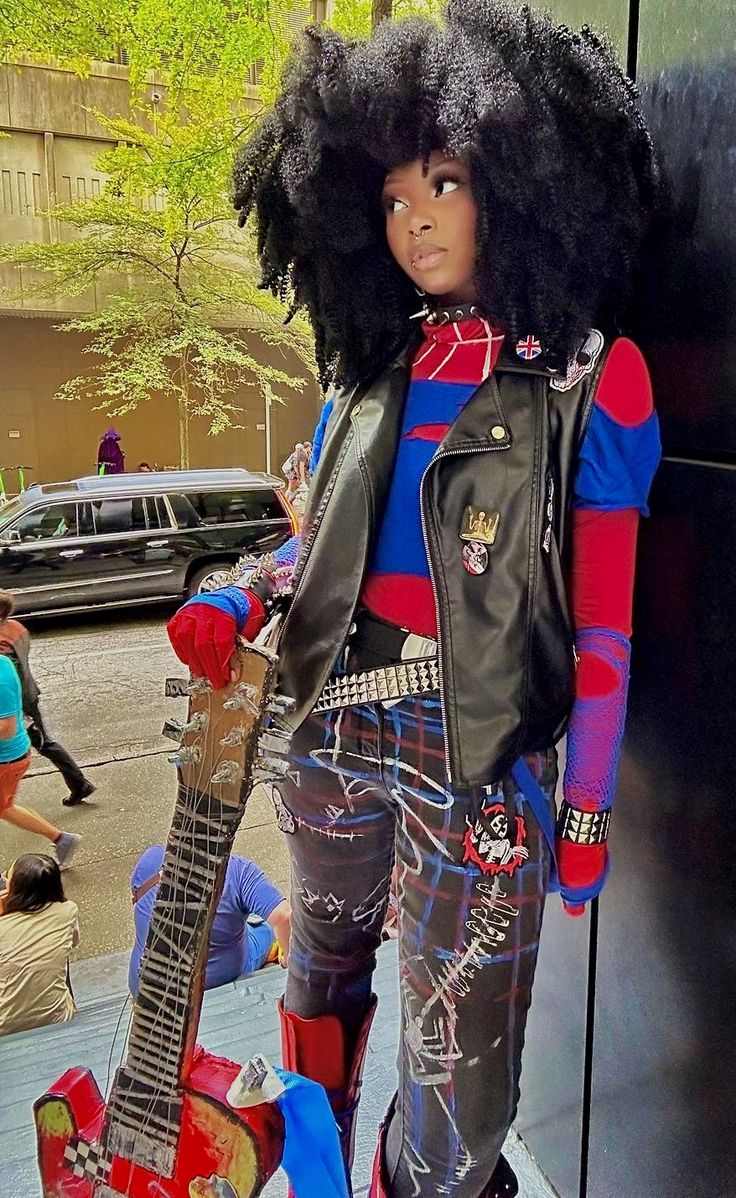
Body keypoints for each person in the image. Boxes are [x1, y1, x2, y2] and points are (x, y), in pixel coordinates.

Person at [167, 4, 661, 1195]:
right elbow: (322, 552)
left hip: (476, 751)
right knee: (314, 983)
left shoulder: (594, 378)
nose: (414, 218)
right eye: (390, 197)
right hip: (332, 725)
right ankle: (321, 1169)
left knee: (457, 1050)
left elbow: (604, 626)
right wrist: (243, 593)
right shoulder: (370, 373)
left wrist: (584, 804)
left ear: (520, 180)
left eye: (443, 181)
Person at [128, 845, 291, 996]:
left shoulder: (150, 858)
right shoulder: (238, 871)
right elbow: (283, 916)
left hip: (145, 990)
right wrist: (290, 958)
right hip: (211, 987)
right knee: (265, 929)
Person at [0, 592, 96, 807]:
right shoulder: (17, 628)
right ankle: (79, 784)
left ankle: (79, 784)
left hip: (18, 704)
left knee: (44, 743)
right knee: (43, 742)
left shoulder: (2, 645)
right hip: (27, 696)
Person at [0, 654, 80, 868]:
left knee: (4, 807)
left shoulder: (1, 673)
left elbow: (6, 728)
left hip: (6, 761)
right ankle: (62, 839)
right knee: (5, 807)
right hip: (9, 758)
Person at [0, 853, 79, 1036]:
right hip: (57, 1018)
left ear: (14, 890)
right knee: (59, 956)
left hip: (5, 1026)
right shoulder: (68, 910)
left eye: (8, 879)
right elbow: (73, 942)